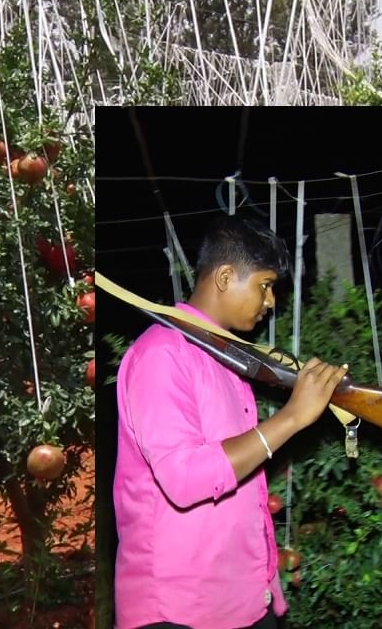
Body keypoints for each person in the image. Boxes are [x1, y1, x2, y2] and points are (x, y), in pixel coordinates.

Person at [114, 212, 348, 629]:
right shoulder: (163, 353)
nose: (271, 301)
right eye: (265, 285)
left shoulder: (225, 359)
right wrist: (292, 417)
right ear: (224, 277)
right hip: (178, 610)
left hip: (240, 601)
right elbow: (184, 480)